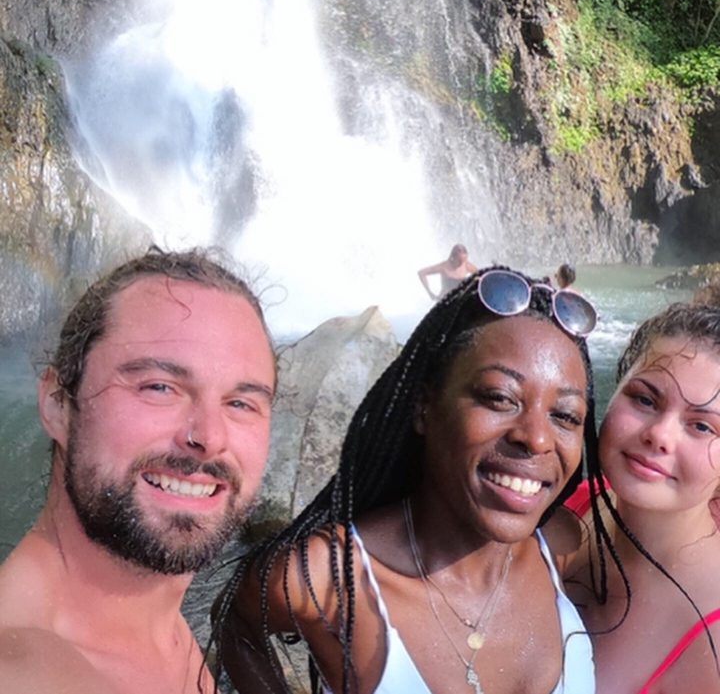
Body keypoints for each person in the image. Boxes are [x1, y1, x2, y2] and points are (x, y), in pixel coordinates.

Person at [214, 266, 600, 694]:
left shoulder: (562, 546)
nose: (537, 438)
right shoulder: (329, 578)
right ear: (423, 405)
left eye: (566, 416)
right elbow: (235, 621)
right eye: (499, 398)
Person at [0, 247, 277, 694]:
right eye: (159, 387)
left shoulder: (159, 632)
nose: (209, 436)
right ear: (57, 404)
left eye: (241, 403)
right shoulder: (22, 668)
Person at [557, 292, 720, 693]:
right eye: (645, 399)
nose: (659, 435)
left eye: (702, 426)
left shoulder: (712, 643)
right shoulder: (571, 504)